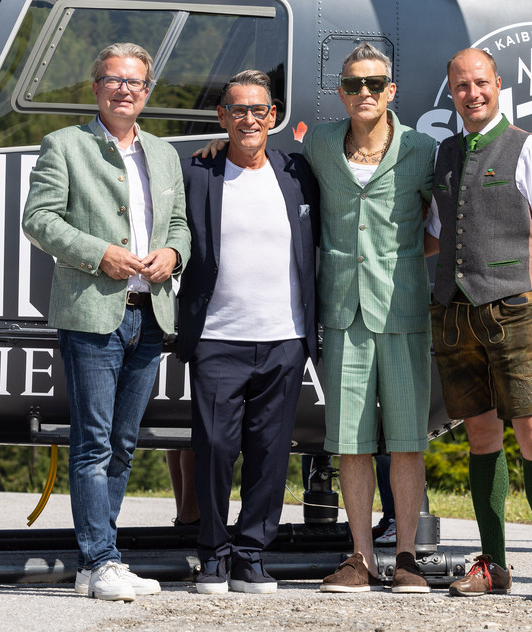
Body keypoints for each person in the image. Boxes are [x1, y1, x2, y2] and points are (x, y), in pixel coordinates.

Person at [22, 42, 190, 602]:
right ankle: (101, 561)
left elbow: (180, 224)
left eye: (134, 82)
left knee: (122, 444)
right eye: (113, 79)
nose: (124, 89)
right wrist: (100, 255)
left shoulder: (163, 154)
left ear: (147, 92)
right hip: (94, 315)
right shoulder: (65, 145)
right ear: (96, 87)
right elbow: (38, 220)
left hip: (150, 313)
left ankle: (95, 562)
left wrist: (173, 255)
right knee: (93, 443)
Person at [425, 47, 532, 604]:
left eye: (480, 82)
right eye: (461, 85)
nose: (472, 93)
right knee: (480, 434)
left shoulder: (528, 148)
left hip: (515, 308)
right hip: (455, 312)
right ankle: (493, 564)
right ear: (452, 93)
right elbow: (438, 233)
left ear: (498, 84)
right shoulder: (445, 153)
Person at [177, 70, 320, 595]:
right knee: (215, 448)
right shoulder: (199, 172)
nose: (249, 119)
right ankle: (213, 555)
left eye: (258, 110)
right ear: (222, 117)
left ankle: (251, 556)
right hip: (217, 338)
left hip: (285, 338)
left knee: (270, 453)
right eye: (237, 110)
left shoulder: (298, 173)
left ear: (273, 116)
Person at [304, 43, 437, 594]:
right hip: (342, 312)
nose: (365, 92)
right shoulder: (319, 145)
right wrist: (219, 147)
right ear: (341, 92)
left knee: (406, 440)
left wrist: (401, 260)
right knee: (350, 441)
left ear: (391, 91)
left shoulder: (422, 149)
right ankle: (360, 557)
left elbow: (441, 224)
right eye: (354, 84)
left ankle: (406, 556)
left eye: (375, 84)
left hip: (403, 309)